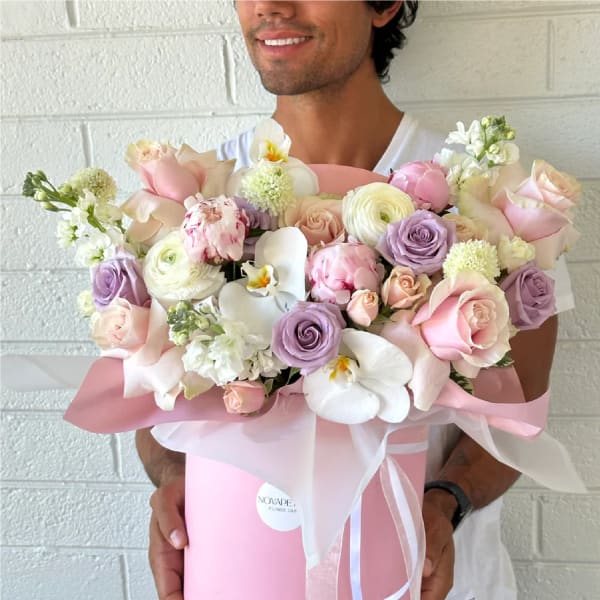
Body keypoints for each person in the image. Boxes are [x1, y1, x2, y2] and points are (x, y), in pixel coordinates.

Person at [136, 2, 573, 599]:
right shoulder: (194, 202)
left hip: (426, 579)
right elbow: (152, 400)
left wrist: (446, 503)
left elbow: (517, 412)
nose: (270, 7)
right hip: (244, 572)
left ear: (384, 4)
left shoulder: (487, 205)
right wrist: (173, 480)